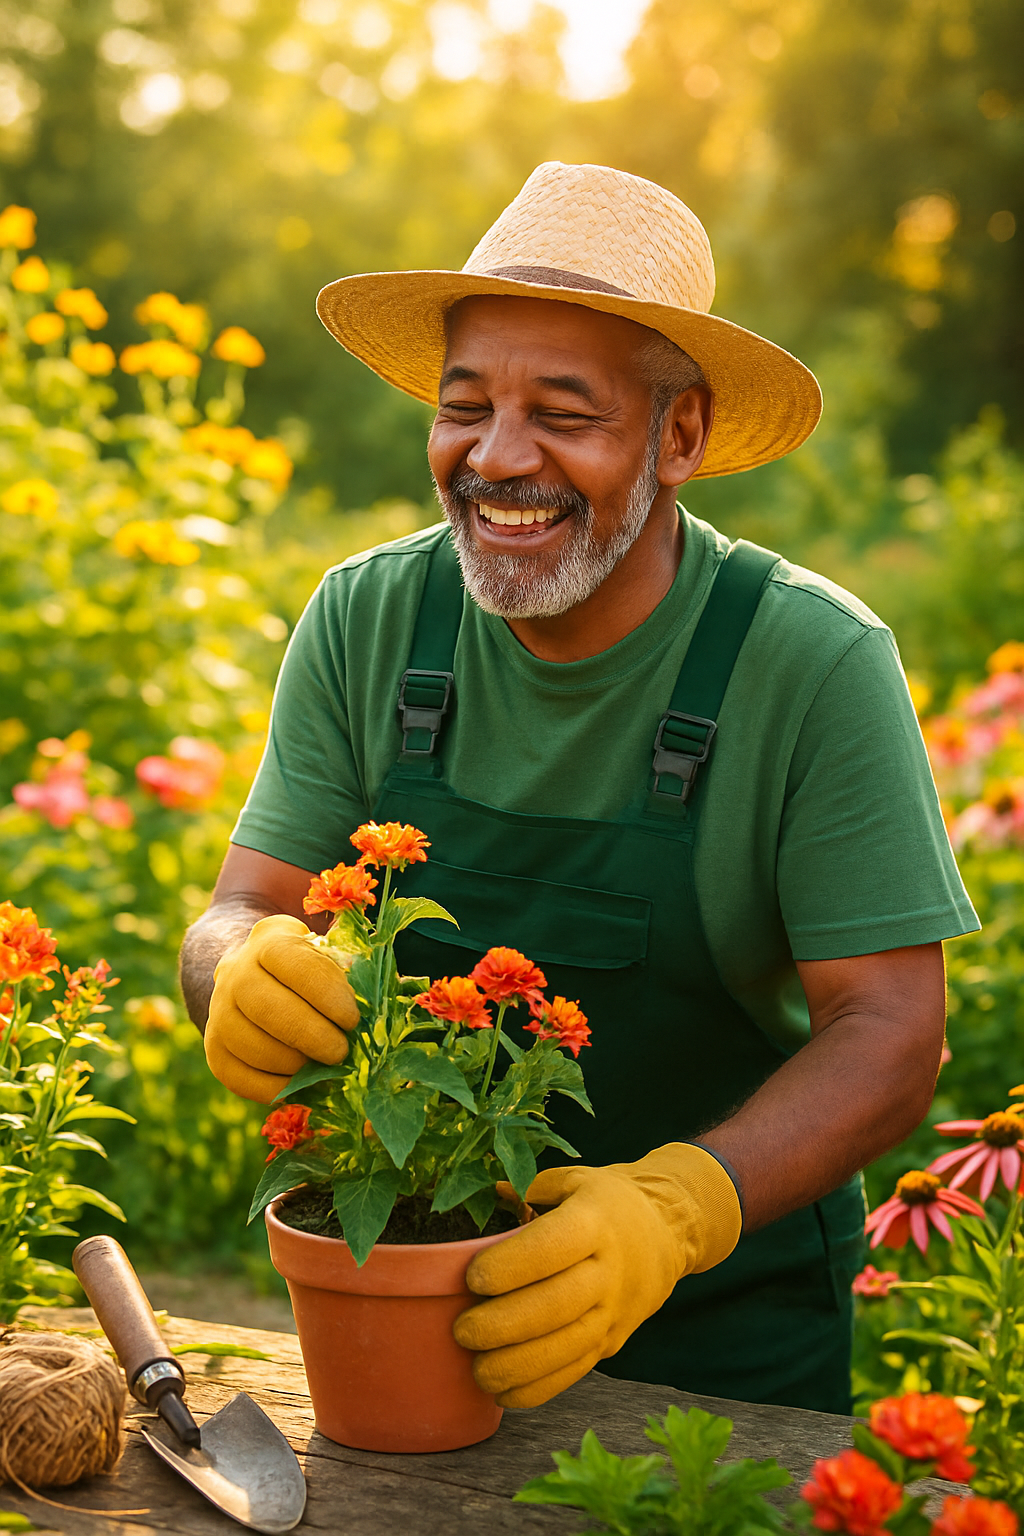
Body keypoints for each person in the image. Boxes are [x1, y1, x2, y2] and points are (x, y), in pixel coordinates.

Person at [180, 162, 978, 1415]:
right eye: (464, 407)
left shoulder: (812, 662)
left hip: (725, 1346)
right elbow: (244, 903)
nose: (499, 459)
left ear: (681, 436)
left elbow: (889, 1030)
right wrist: (233, 963)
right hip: (415, 1315)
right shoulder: (369, 615)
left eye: (564, 412)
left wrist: (676, 1209)